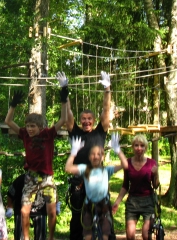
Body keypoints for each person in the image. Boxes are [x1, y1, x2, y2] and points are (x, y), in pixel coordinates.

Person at [4, 88, 67, 240]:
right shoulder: (25, 135)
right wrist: (13, 105)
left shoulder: (48, 134)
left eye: (33, 126)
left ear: (40, 127)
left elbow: (63, 119)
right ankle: (26, 238)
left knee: (51, 212)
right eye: (28, 126)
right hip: (31, 177)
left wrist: (64, 99)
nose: (29, 129)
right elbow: (8, 122)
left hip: (46, 178)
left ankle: (50, 237)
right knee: (24, 211)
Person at [60, 71, 112, 240]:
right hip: (79, 183)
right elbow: (68, 114)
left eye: (89, 118)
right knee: (77, 220)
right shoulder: (75, 132)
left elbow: (106, 110)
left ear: (94, 120)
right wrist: (64, 90)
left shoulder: (100, 131)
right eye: (83, 118)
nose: (86, 121)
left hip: (98, 181)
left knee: (105, 219)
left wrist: (107, 88)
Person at [65, 133, 127, 240]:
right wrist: (74, 152)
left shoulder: (106, 170)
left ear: (103, 157)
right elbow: (68, 168)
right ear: (89, 157)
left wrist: (118, 150)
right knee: (87, 235)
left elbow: (125, 165)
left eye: (99, 154)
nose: (96, 156)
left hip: (104, 204)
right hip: (89, 205)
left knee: (105, 234)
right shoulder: (85, 169)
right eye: (93, 154)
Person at [112, 134, 160, 240]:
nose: (139, 148)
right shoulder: (128, 163)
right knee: (130, 235)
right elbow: (125, 185)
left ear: (145, 148)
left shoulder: (152, 163)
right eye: (136, 145)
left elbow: (156, 185)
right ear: (133, 147)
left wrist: (156, 174)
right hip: (132, 202)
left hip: (148, 201)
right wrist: (117, 202)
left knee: (146, 235)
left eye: (142, 145)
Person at [6, 173, 47, 240]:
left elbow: (53, 194)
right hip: (21, 210)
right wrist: (10, 207)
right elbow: (10, 193)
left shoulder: (44, 180)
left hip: (40, 210)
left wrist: (55, 205)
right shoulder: (20, 179)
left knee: (41, 236)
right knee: (19, 236)